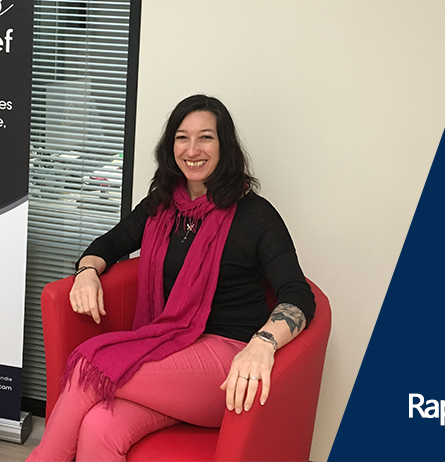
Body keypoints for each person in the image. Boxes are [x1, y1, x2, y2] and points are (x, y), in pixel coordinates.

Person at [26, 95, 316, 461]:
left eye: (206, 137)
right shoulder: (162, 205)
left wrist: (263, 343)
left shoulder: (256, 216)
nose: (192, 150)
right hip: (171, 349)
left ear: (225, 146)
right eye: (182, 137)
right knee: (100, 426)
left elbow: (298, 295)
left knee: (89, 366)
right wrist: (86, 271)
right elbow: (110, 243)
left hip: (226, 367)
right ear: (171, 146)